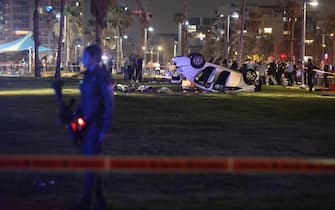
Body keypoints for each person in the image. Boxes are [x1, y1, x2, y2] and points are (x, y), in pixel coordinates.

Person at [78, 44, 113, 210]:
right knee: (90, 162)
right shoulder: (87, 75)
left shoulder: (102, 76)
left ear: (93, 58)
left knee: (90, 164)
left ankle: (85, 202)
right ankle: (100, 202)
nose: (82, 59)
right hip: (85, 125)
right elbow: (83, 100)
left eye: (84, 56)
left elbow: (109, 104)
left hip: (96, 126)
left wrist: (104, 129)